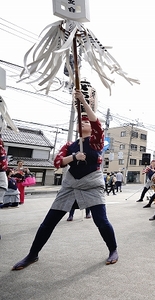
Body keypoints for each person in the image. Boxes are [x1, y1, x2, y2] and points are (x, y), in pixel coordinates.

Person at [12, 89, 119, 270]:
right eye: (81, 120)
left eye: (86, 121)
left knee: (101, 221)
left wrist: (83, 101)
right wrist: (74, 157)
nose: (83, 122)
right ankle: (32, 254)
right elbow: (58, 162)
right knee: (48, 222)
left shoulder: (96, 141)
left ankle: (113, 249)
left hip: (92, 186)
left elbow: (97, 124)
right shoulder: (70, 145)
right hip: (70, 186)